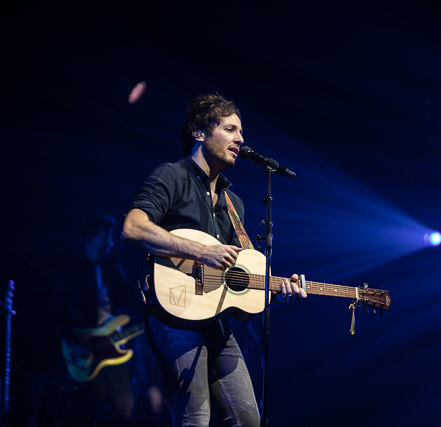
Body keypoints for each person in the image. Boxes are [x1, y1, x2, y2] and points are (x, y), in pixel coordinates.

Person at [122, 93, 306, 426]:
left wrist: (277, 290)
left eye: (241, 132)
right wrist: (200, 250)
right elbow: (133, 228)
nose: (241, 139)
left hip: (217, 322)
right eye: (231, 129)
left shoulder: (233, 202)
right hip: (174, 314)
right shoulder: (172, 176)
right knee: (196, 418)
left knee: (248, 420)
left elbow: (238, 279)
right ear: (199, 132)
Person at [53, 215, 136, 426]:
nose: (110, 243)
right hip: (83, 350)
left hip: (114, 346)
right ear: (90, 238)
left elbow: (125, 308)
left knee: (125, 406)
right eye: (105, 238)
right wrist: (72, 342)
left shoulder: (115, 271)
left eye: (111, 238)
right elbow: (56, 312)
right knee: (90, 403)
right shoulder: (70, 271)